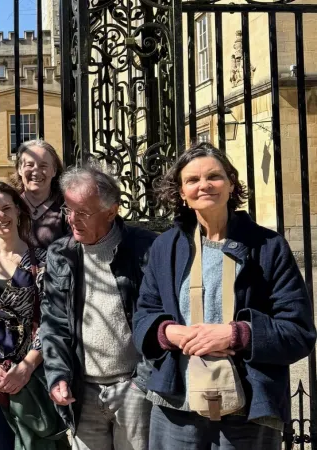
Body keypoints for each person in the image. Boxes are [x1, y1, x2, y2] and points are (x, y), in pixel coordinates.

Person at [132, 143, 317, 449]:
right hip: (176, 406)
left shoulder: (268, 247)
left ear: (231, 184)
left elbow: (298, 331)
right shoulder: (165, 247)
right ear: (181, 192)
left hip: (248, 410)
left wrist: (236, 335)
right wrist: (168, 333)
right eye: (192, 180)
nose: (204, 185)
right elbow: (143, 318)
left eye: (214, 176)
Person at [40, 165, 157, 450]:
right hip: (83, 392)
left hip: (133, 388)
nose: (72, 219)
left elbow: (158, 318)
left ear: (111, 211)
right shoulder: (61, 254)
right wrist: (58, 375)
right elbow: (54, 323)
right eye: (69, 210)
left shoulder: (145, 249)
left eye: (83, 212)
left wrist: (141, 382)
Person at [0, 181, 69, 450]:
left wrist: (27, 366)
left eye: (6, 208)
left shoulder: (43, 261)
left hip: (32, 375)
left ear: (18, 210)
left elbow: (52, 319)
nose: (1, 216)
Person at [10, 140, 69, 250]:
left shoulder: (67, 209)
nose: (36, 172)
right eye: (29, 165)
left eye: (43, 166)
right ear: (19, 169)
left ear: (54, 170)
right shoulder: (9, 206)